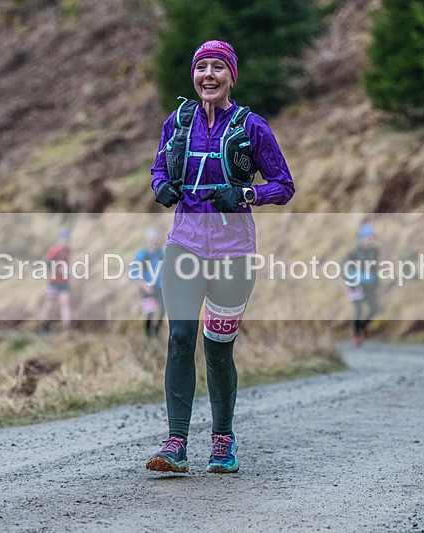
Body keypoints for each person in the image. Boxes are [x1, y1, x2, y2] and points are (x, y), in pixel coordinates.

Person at [146, 40, 294, 474]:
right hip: (184, 246)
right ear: (194, 76)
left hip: (234, 253)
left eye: (217, 67)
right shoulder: (177, 122)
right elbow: (159, 169)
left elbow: (284, 186)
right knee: (179, 338)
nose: (208, 75)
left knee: (217, 349)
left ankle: (222, 441)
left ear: (232, 77)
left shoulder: (252, 127)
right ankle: (175, 444)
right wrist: (161, 187)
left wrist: (246, 193)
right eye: (201, 67)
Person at [344, 224, 380, 346]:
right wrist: (352, 280)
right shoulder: (354, 252)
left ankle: (363, 326)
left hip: (369, 284)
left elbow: (374, 268)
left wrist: (376, 281)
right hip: (355, 284)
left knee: (374, 308)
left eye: (372, 238)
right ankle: (356, 335)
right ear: (362, 238)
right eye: (368, 237)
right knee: (358, 309)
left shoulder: (374, 251)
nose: (370, 240)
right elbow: (346, 268)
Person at [130, 228, 166, 338]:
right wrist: (143, 285)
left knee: (163, 309)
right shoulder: (142, 254)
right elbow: (133, 273)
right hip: (146, 288)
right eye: (153, 239)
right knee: (150, 312)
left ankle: (156, 331)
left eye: (157, 239)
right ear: (148, 240)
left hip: (160, 287)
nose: (155, 241)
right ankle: (149, 336)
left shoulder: (163, 252)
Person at [39, 230, 72, 334]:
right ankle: (44, 327)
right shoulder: (53, 250)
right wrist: (59, 270)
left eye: (67, 239)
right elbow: (49, 265)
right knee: (50, 305)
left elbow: (67, 263)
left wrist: (69, 270)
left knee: (65, 303)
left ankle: (67, 329)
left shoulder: (68, 250)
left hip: (64, 281)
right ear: (60, 239)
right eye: (64, 239)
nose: (65, 241)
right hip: (53, 281)